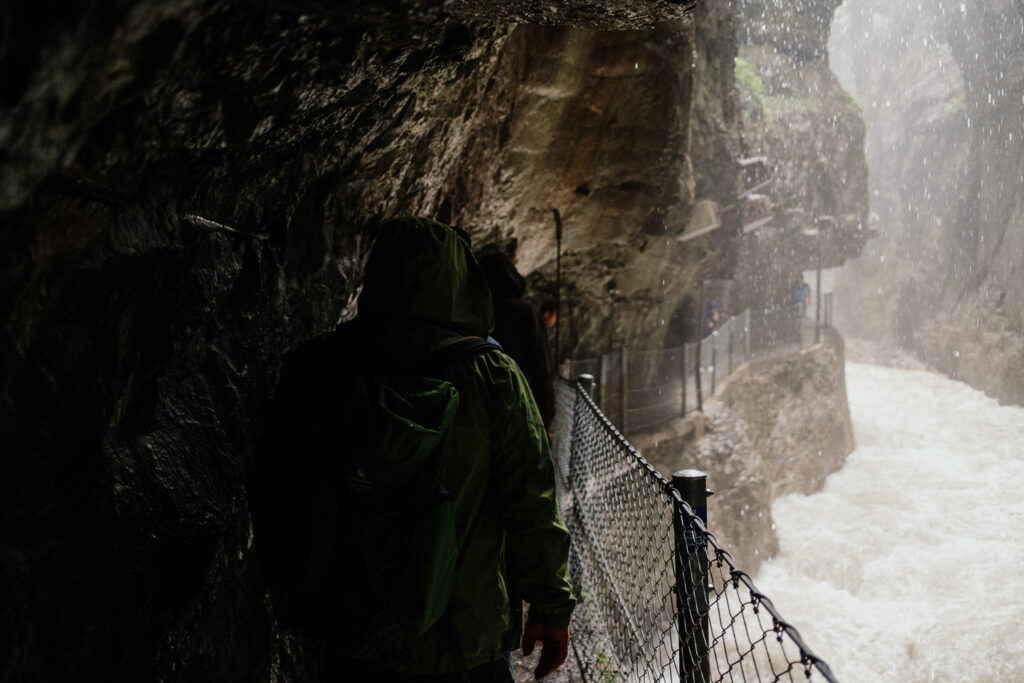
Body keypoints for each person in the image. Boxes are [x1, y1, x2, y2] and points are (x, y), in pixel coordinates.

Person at [249, 217, 575, 682]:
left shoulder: (318, 368)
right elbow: (533, 502)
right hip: (466, 638)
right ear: (462, 281)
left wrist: (287, 584)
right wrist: (551, 606)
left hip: (355, 628)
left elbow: (279, 484)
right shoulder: (494, 378)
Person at [478, 252, 556, 431]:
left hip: (477, 409)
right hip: (516, 409)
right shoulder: (526, 313)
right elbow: (542, 372)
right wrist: (544, 423)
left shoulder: (475, 312)